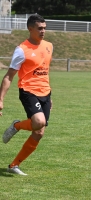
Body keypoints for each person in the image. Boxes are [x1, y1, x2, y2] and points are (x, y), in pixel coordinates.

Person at [0, 14, 53, 175]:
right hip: (28, 90)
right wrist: (0, 99)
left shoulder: (49, 46)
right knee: (38, 122)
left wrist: (51, 96)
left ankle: (14, 165)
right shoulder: (22, 50)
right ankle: (17, 125)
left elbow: (45, 73)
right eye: (40, 28)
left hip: (45, 92)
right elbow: (9, 76)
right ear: (30, 29)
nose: (43, 31)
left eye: (44, 28)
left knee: (39, 131)